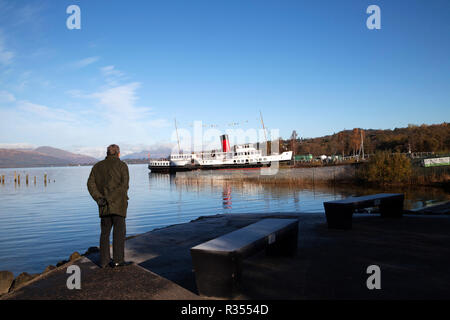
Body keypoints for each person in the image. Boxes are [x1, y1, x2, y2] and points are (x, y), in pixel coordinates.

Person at [87, 144, 132, 268]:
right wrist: (109, 199)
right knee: (119, 233)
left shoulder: (97, 167)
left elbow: (90, 185)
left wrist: (99, 198)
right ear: (118, 153)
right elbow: (124, 186)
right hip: (118, 205)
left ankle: (104, 261)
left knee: (104, 233)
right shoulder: (122, 166)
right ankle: (118, 261)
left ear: (107, 153)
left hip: (103, 206)